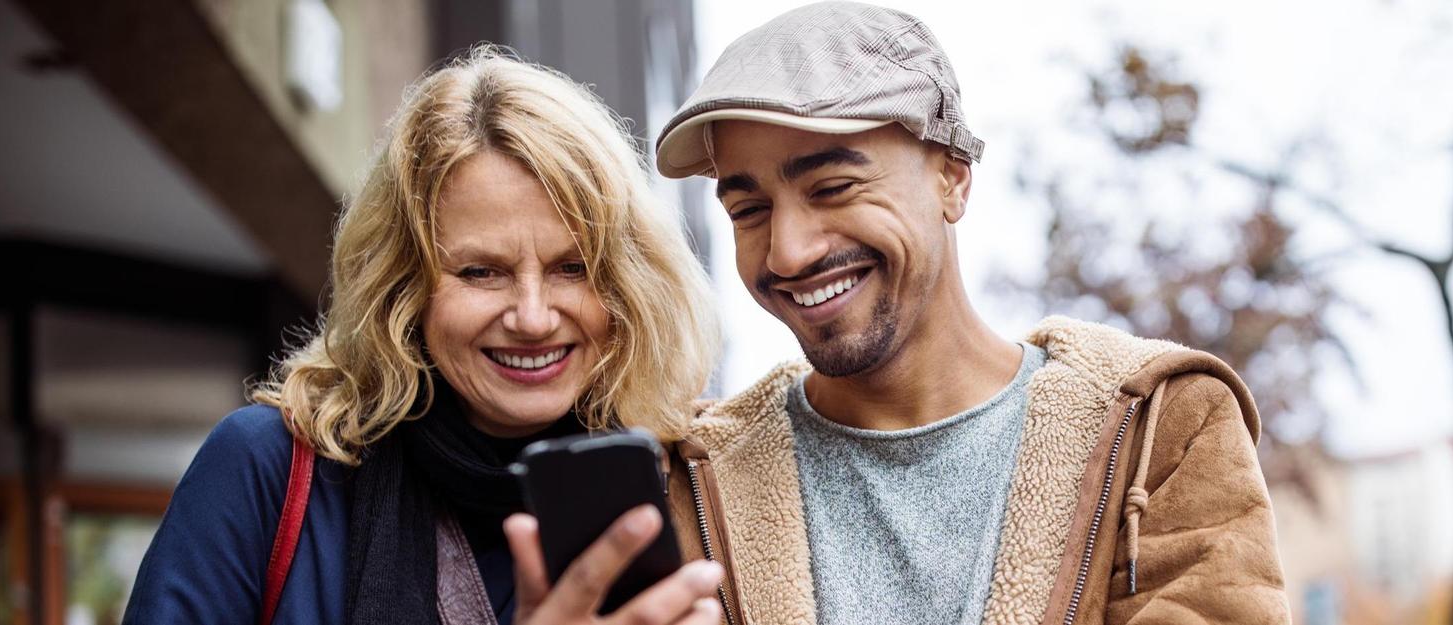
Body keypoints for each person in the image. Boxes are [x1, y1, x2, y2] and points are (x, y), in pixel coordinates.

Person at [649, 3, 1290, 624]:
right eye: (748, 211)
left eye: (833, 189)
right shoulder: (687, 476)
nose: (788, 252)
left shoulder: (1161, 425)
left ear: (952, 179)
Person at [126, 49, 725, 625]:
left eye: (574, 268)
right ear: (403, 286)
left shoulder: (685, 480)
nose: (534, 317)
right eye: (480, 272)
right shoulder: (268, 468)